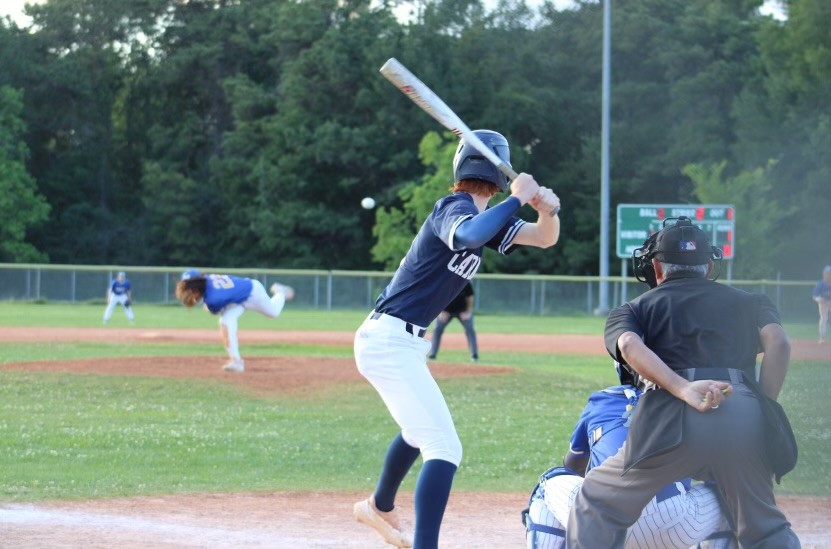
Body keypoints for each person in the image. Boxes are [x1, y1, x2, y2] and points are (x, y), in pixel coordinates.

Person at [352, 129, 561, 549]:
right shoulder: (454, 207)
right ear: (499, 172)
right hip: (387, 339)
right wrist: (517, 199)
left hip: (402, 343)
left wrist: (547, 211)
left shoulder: (488, 218)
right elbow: (466, 235)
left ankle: (379, 507)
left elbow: (543, 238)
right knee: (444, 447)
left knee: (419, 429)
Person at [566, 216, 800, 548]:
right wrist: (763, 404)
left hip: (668, 414)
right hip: (741, 406)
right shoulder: (752, 301)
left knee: (597, 502)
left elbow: (630, 346)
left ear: (657, 268)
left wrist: (683, 388)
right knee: (764, 527)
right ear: (707, 267)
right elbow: (779, 342)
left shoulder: (633, 308)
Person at [524, 372, 733, 549]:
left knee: (549, 481)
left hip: (602, 523)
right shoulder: (694, 401)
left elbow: (572, 466)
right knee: (727, 496)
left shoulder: (603, 400)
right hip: (676, 526)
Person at [175, 269, 295, 372]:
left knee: (274, 312)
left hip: (252, 292)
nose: (189, 290)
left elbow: (214, 308)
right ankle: (236, 362)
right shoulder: (207, 283)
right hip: (235, 300)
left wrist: (203, 303)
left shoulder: (213, 299)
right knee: (226, 321)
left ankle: (280, 292)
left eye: (191, 286)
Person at [427, 281, 479, 362]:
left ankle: (474, 355)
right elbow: (436, 297)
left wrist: (468, 311)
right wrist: (440, 311)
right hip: (446, 311)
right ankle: (432, 354)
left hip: (462, 311)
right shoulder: (444, 282)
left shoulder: (465, 282)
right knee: (437, 329)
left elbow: (469, 297)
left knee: (470, 329)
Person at [812, 264, 831, 343]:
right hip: (823, 303)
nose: (828, 275)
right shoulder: (820, 283)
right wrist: (820, 299)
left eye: (829, 273)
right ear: (824, 274)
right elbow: (814, 296)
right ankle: (822, 337)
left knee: (824, 318)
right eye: (827, 273)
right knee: (823, 318)